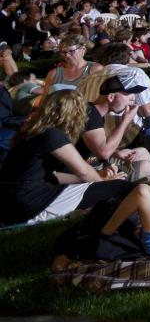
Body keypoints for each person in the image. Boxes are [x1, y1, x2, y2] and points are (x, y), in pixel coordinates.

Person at [0, 89, 134, 225]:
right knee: (121, 188)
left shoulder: (35, 130)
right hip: (30, 205)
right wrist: (105, 183)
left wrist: (100, 176)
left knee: (102, 188)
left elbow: (53, 176)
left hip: (12, 203)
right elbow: (84, 172)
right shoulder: (52, 135)